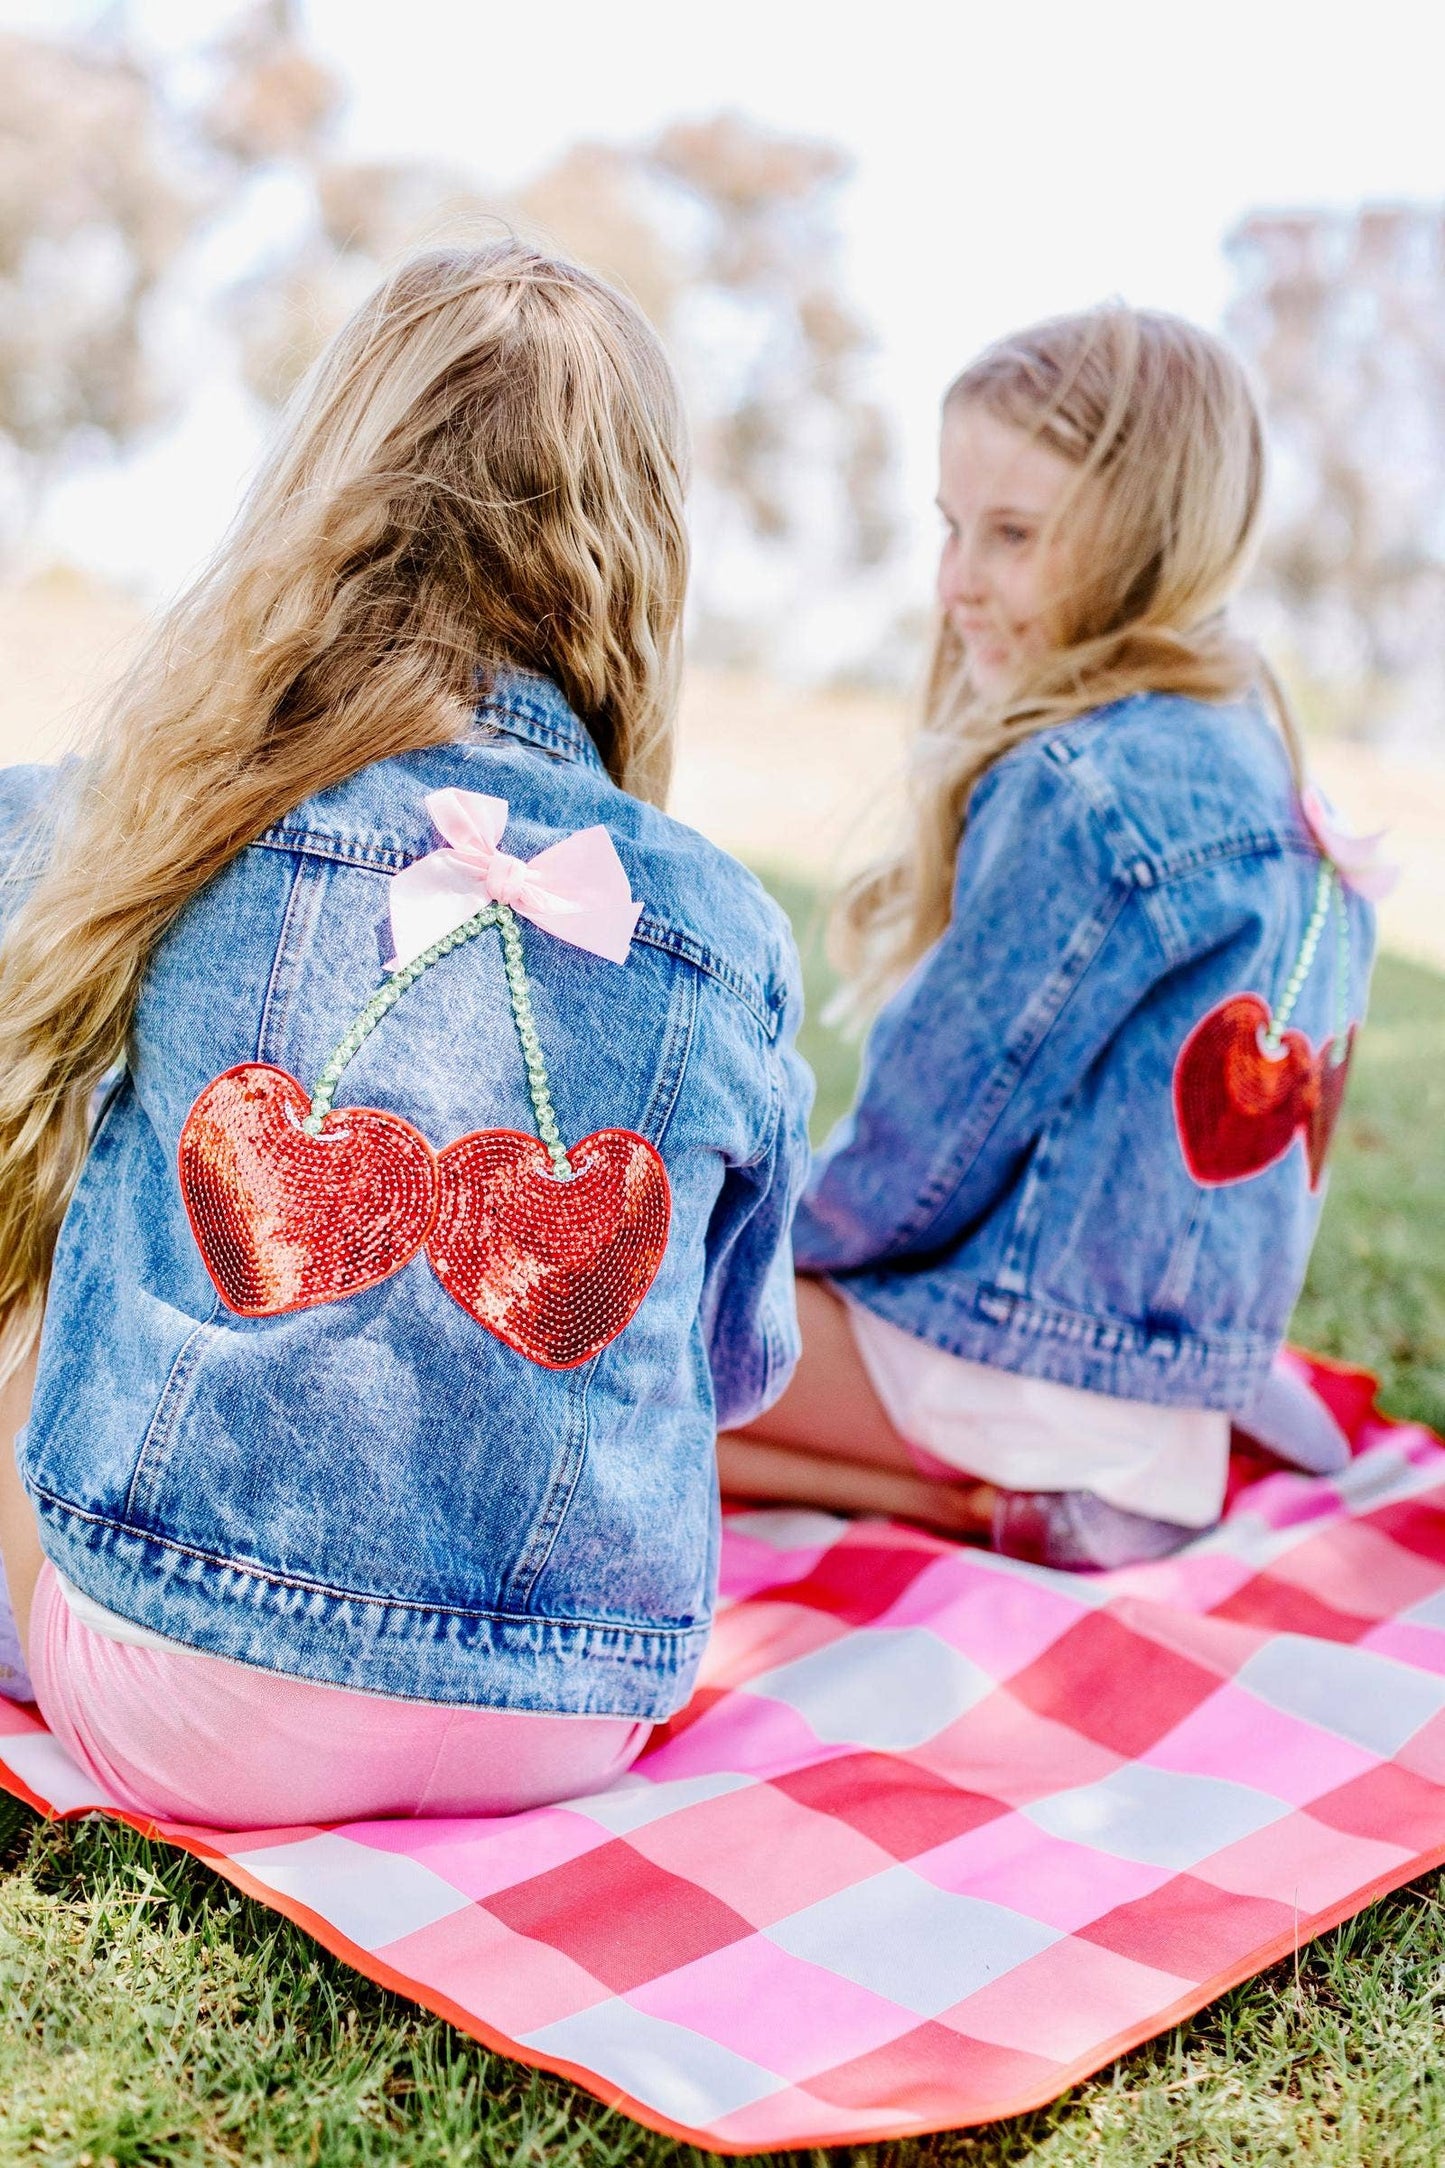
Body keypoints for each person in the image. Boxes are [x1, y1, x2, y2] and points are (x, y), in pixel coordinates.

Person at [0, 242, 811, 1826]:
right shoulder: (724, 927)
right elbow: (732, 1364)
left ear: (329, 491)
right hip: (572, 1709)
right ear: (642, 551)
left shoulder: (170, 810)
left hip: (189, 1687)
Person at [719, 305, 1379, 1569]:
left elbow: (924, 1154)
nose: (956, 581)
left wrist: (740, 1252)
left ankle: (978, 1493)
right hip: (1165, 1382)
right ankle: (1010, 1496)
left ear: (1147, 539)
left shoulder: (1088, 789)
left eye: (1010, 535)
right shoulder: (1262, 761)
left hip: (1020, 1372)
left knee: (599, 1339)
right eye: (951, 527)